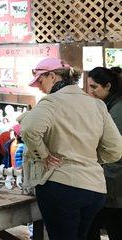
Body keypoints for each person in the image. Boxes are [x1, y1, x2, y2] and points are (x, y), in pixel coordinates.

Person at [19, 58, 122, 240]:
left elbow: (28, 129)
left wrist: (43, 155)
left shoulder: (51, 102)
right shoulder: (97, 105)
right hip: (94, 188)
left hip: (61, 185)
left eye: (40, 81)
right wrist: (93, 158)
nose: (40, 88)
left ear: (52, 76)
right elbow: (116, 148)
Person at [87, 67, 122, 240]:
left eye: (94, 87)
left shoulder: (117, 110)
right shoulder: (108, 106)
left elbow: (115, 151)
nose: (90, 92)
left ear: (108, 86)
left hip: (114, 185)